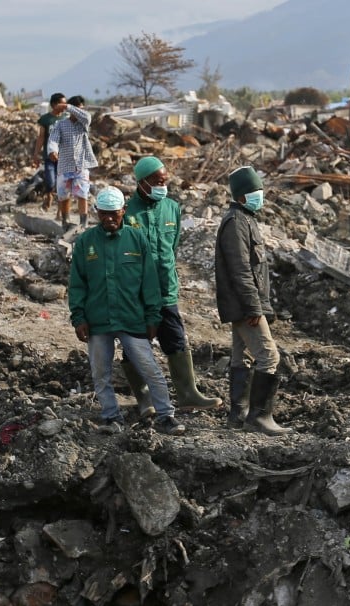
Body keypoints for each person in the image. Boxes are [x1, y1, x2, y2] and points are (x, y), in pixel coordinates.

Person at [68, 185, 185, 436]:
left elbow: (149, 281)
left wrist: (153, 316)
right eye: (104, 214)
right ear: (97, 212)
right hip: (98, 320)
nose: (109, 219)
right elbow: (77, 283)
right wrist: (78, 317)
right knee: (100, 373)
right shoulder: (86, 243)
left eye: (114, 213)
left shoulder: (137, 239)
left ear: (123, 211)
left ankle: (166, 415)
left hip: (131, 318)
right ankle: (112, 417)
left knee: (150, 368)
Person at [122, 156, 222, 414]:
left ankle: (188, 393)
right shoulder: (127, 213)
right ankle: (144, 398)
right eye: (156, 181)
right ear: (142, 182)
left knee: (176, 339)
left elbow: (172, 247)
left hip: (166, 290)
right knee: (136, 343)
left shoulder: (172, 209)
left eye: (164, 181)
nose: (162, 185)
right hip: (137, 293)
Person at [214, 166, 291, 436]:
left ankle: (239, 414)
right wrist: (253, 307)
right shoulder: (236, 223)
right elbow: (240, 270)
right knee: (269, 356)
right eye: (256, 191)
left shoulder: (245, 219)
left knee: (242, 356)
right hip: (244, 305)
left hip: (243, 305)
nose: (261, 196)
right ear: (243, 196)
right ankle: (260, 418)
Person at [47, 95, 98, 235]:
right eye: (76, 109)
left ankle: (84, 223)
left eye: (80, 109)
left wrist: (67, 107)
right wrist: (52, 151)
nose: (78, 112)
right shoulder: (60, 124)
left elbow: (86, 116)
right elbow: (53, 139)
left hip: (81, 166)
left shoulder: (84, 123)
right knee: (64, 196)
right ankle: (65, 221)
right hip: (65, 165)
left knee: (82, 194)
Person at [31, 93, 68, 213]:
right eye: (62, 103)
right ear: (54, 104)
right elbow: (41, 137)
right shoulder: (46, 119)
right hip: (49, 156)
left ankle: (60, 210)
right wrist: (36, 154)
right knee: (50, 180)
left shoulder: (66, 118)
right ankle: (49, 196)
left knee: (62, 184)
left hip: (64, 157)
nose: (65, 105)